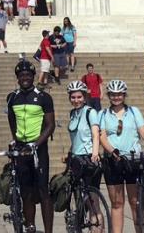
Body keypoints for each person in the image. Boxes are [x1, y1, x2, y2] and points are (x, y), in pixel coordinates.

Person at [98, 80, 144, 233]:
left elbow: (143, 131)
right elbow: (102, 136)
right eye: (113, 95)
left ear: (124, 95)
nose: (116, 97)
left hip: (133, 161)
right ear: (109, 96)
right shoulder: (103, 114)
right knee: (116, 202)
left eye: (119, 94)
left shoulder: (134, 111)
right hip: (113, 162)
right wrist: (112, 150)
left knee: (136, 202)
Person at [7, 58, 55, 233]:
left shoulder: (44, 97)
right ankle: (30, 226)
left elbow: (50, 125)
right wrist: (16, 139)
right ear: (18, 78)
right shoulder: (13, 98)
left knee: (43, 190)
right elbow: (12, 120)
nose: (25, 78)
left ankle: (48, 230)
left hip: (38, 148)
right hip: (21, 148)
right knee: (26, 191)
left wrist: (36, 144)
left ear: (33, 76)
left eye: (28, 75)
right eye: (21, 75)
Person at [64, 81, 104, 232]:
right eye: (73, 97)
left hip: (88, 158)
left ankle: (97, 229)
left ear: (85, 96)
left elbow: (95, 134)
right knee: (78, 198)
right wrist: (69, 153)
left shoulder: (90, 112)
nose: (76, 100)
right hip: (75, 159)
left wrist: (94, 153)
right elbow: (75, 138)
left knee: (93, 202)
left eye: (79, 97)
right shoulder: (73, 113)